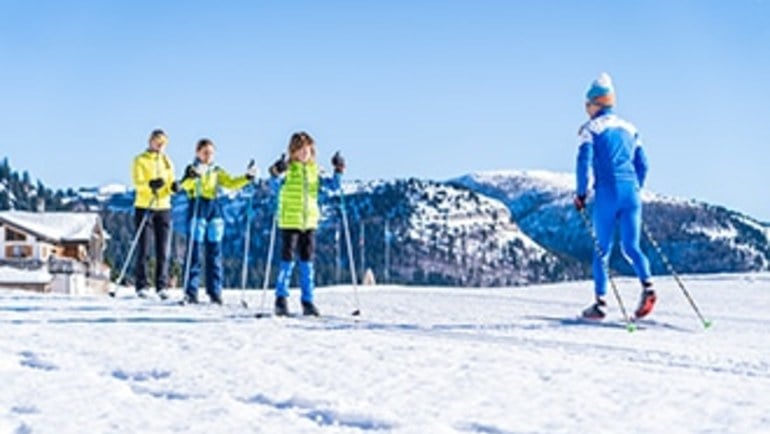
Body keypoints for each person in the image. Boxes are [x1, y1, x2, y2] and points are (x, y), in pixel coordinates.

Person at [574, 73, 656, 320]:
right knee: (632, 247)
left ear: (596, 104)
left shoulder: (590, 130)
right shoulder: (631, 129)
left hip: (607, 193)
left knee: (602, 249)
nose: (586, 109)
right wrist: (635, 188)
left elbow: (583, 163)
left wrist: (581, 194)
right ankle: (648, 287)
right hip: (631, 193)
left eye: (587, 104)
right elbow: (644, 164)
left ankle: (600, 304)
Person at [268, 131, 344, 316]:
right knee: (287, 261)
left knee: (307, 262)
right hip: (289, 221)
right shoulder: (288, 169)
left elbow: (334, 186)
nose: (304, 153)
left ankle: (308, 300)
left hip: (309, 221)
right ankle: (281, 298)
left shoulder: (315, 171)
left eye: (307, 150)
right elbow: (273, 186)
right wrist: (275, 172)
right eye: (300, 150)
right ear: (293, 152)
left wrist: (339, 170)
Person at [179, 138, 258, 305]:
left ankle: (215, 291)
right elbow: (184, 186)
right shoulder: (192, 169)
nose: (208, 156)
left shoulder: (216, 170)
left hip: (214, 208)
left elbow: (230, 182)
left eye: (211, 153)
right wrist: (193, 176)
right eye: (205, 152)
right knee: (194, 251)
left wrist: (247, 177)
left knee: (214, 251)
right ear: (198, 153)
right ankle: (191, 291)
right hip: (198, 205)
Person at [131, 129, 176, 300]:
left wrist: (172, 188)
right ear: (150, 141)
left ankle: (161, 285)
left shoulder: (167, 162)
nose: (160, 145)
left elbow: (170, 182)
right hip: (145, 205)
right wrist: (150, 185)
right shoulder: (140, 160)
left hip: (163, 206)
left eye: (163, 143)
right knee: (144, 248)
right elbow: (137, 182)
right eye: (157, 142)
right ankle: (142, 284)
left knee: (162, 249)